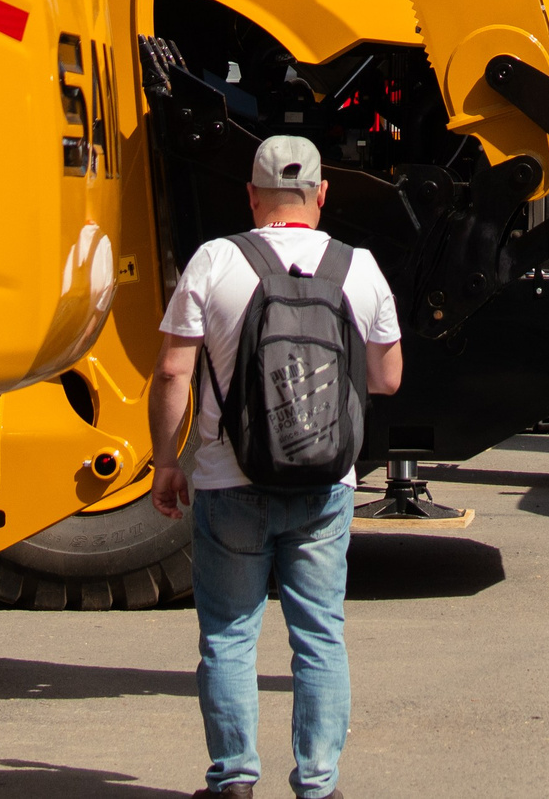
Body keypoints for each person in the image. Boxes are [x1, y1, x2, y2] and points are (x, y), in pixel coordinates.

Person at [150, 135, 404, 799]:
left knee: (230, 635)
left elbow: (174, 368)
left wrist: (164, 461)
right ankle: (318, 784)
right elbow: (387, 378)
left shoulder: (215, 259)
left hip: (229, 478)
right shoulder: (360, 265)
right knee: (320, 635)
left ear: (252, 194)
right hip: (325, 483)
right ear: (323, 194)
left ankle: (234, 779)